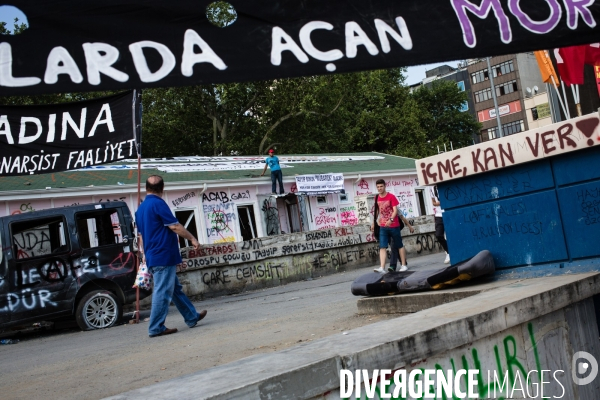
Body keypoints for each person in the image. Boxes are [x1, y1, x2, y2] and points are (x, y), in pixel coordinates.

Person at [136, 175, 207, 338]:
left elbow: (141, 235)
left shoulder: (140, 209)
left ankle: (191, 316)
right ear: (162, 188)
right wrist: (192, 238)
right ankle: (155, 327)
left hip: (153, 254)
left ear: (146, 188)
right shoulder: (158, 204)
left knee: (174, 288)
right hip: (163, 254)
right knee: (162, 291)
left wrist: (144, 254)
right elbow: (174, 226)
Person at [371, 179, 406, 273]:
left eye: (381, 186)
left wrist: (391, 220)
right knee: (382, 246)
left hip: (394, 225)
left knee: (399, 245)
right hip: (383, 226)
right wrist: (374, 222)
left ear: (385, 186)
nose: (379, 188)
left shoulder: (391, 196)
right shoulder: (377, 197)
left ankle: (403, 265)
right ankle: (382, 268)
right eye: (378, 187)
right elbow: (377, 211)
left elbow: (395, 210)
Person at [431, 186, 450, 264]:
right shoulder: (432, 188)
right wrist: (437, 203)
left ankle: (451, 252)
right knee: (438, 235)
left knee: (451, 234)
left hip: (448, 212)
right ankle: (448, 251)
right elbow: (433, 203)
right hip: (439, 215)